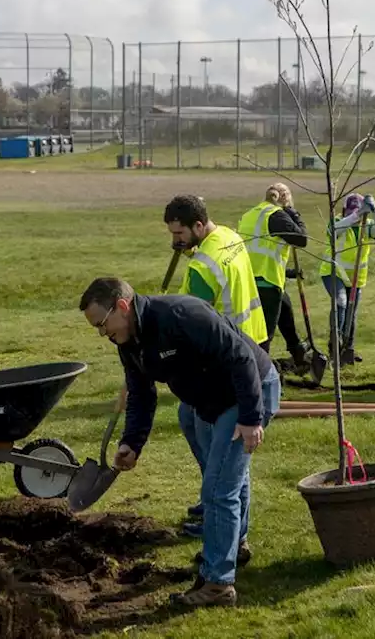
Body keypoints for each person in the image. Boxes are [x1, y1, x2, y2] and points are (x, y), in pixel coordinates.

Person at [78, 277, 281, 608]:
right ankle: (234, 543)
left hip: (245, 391)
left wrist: (250, 418)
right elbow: (141, 392)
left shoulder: (181, 315)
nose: (102, 334)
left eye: (102, 324)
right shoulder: (128, 340)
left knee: (217, 489)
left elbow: (241, 358)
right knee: (216, 465)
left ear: (124, 307)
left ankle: (218, 584)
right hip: (206, 401)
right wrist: (133, 441)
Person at [165, 194, 269, 533]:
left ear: (198, 226)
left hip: (226, 365)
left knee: (218, 441)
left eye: (179, 234)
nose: (174, 242)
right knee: (189, 419)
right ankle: (215, 496)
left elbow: (186, 324)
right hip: (252, 343)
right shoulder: (228, 236)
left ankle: (220, 509)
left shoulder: (201, 269)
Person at [236, 183, 308, 361]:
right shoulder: (276, 215)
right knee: (264, 335)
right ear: (284, 198)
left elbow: (259, 249)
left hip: (249, 279)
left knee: (285, 308)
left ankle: (298, 352)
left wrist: (289, 272)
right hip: (266, 282)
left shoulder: (250, 214)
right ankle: (261, 375)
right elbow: (301, 239)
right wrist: (293, 212)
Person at [318, 193, 375, 364]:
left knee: (351, 312)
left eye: (358, 210)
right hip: (333, 272)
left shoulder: (367, 225)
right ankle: (335, 345)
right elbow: (332, 232)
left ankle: (348, 349)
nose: (354, 214)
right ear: (344, 209)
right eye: (351, 210)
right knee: (340, 301)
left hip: (355, 277)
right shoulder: (337, 222)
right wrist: (356, 215)